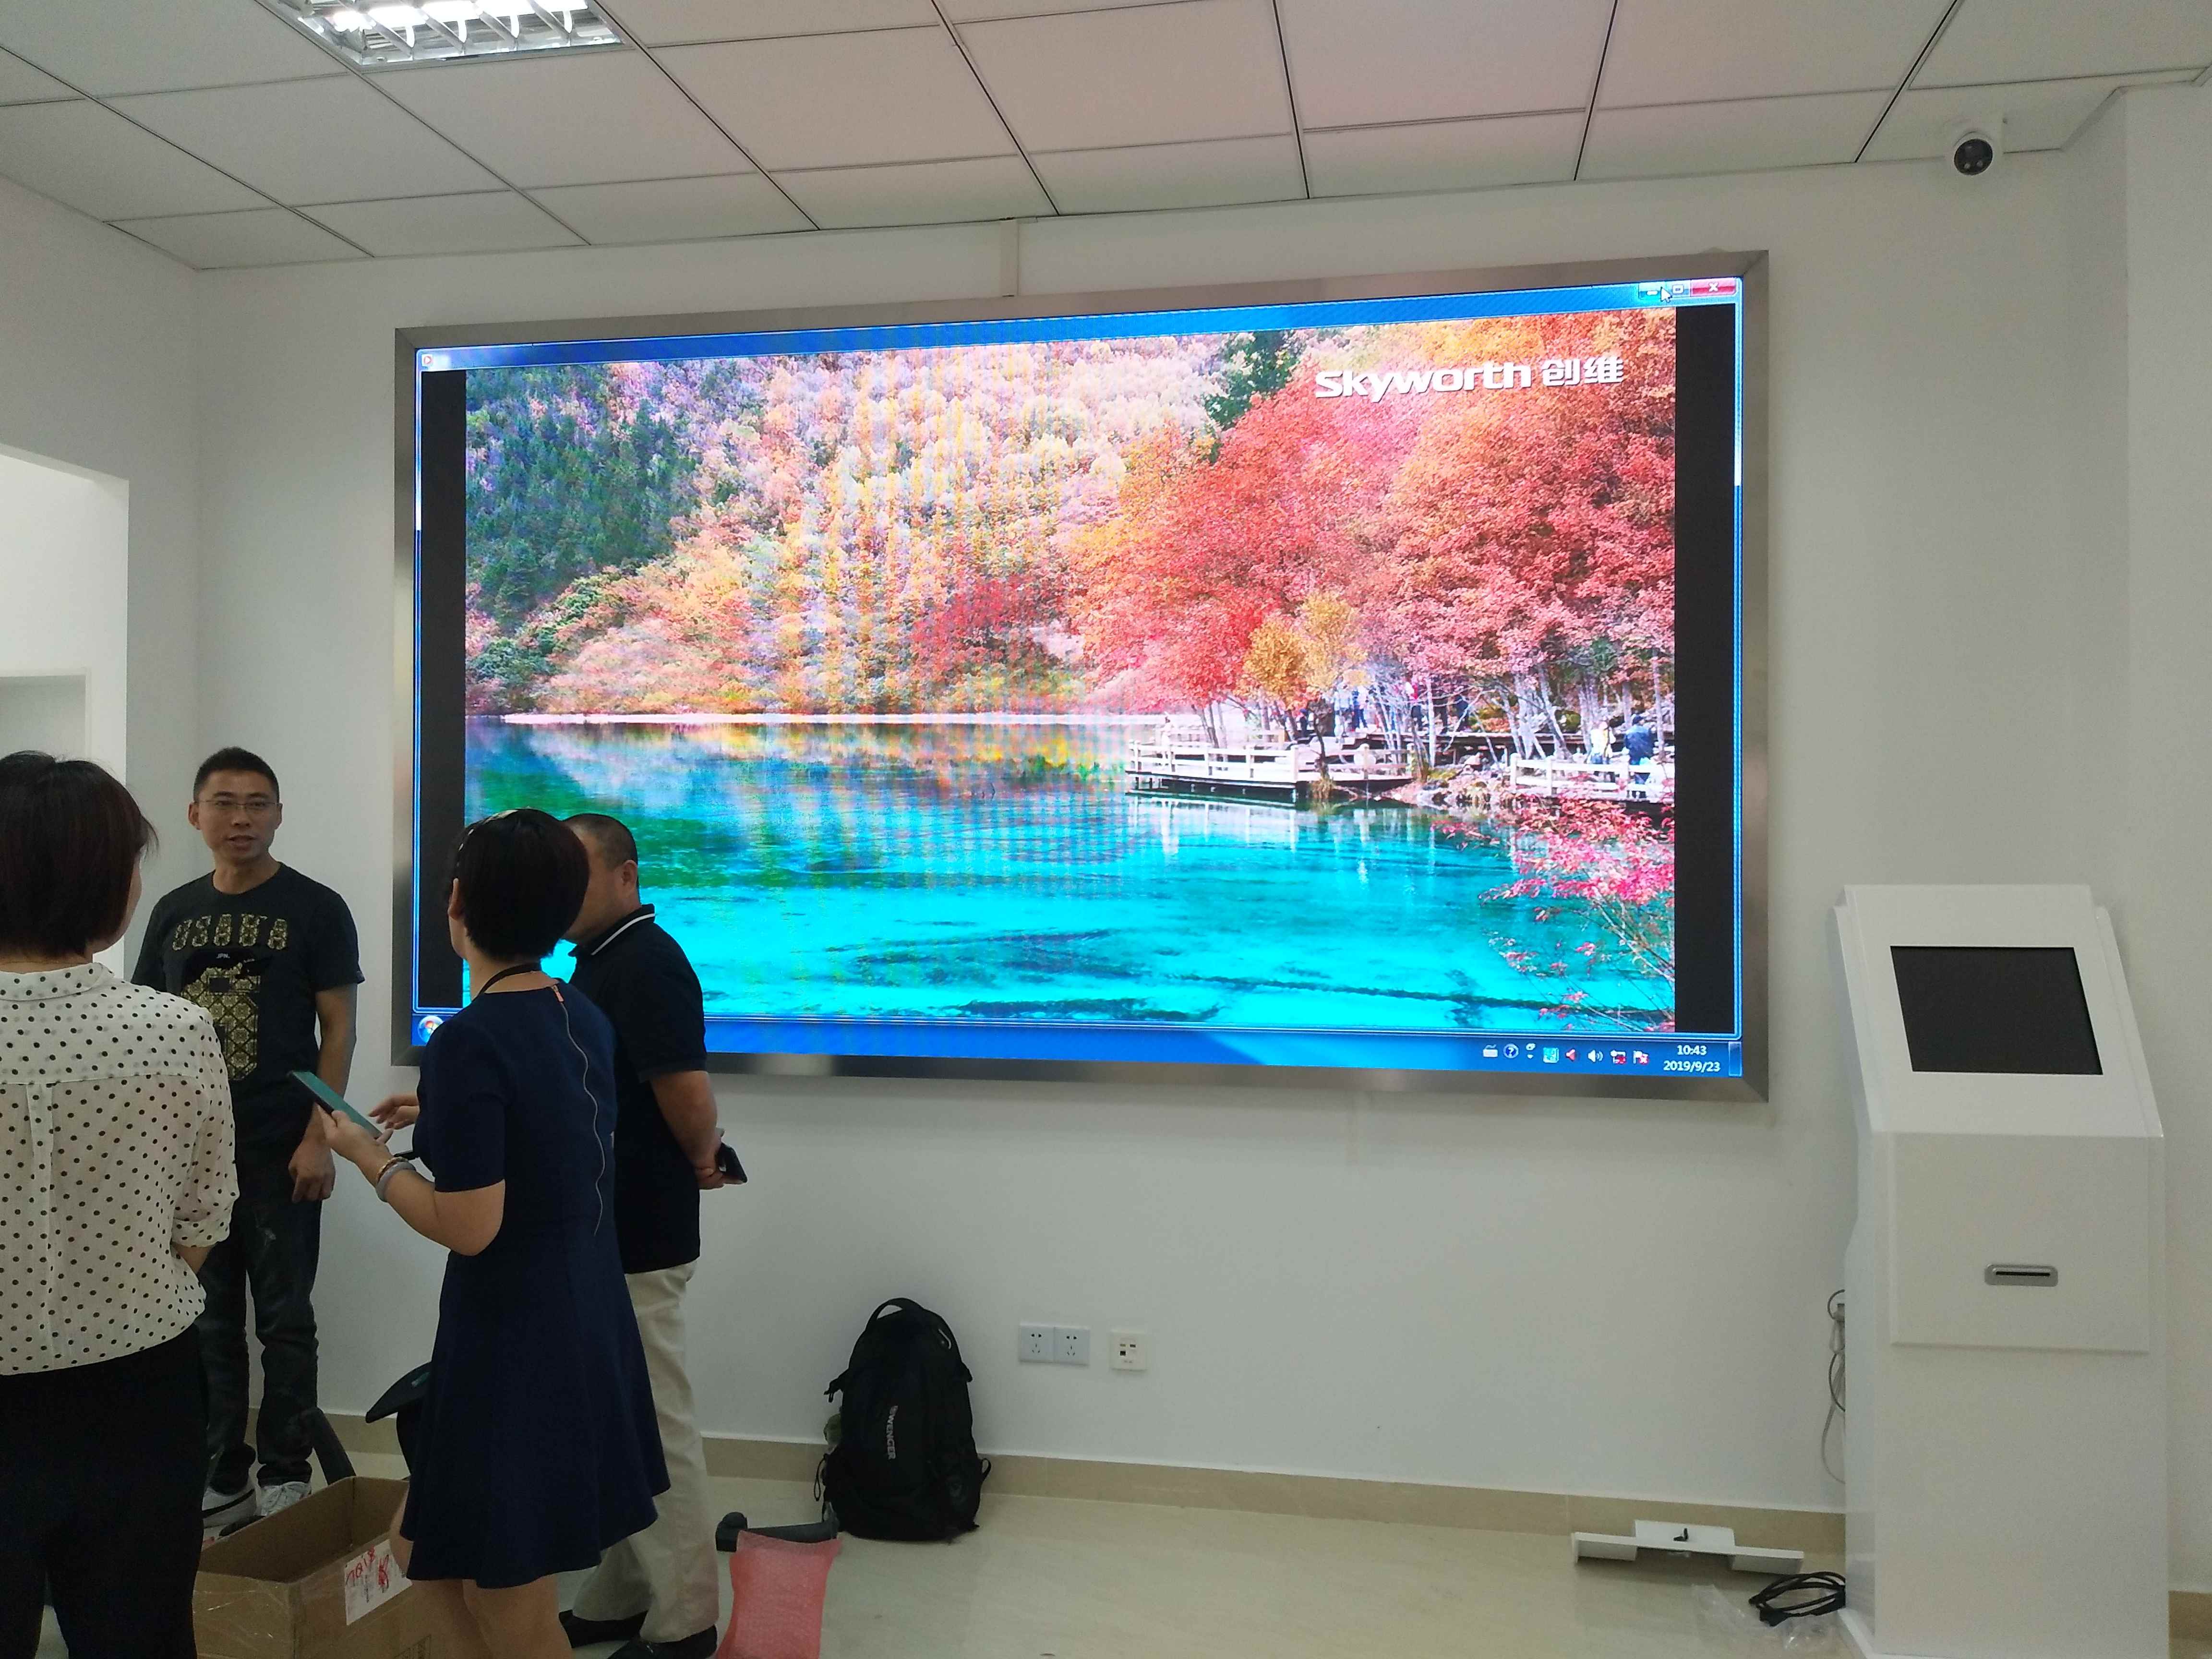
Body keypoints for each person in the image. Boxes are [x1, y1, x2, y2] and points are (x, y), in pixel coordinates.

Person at [318, 809, 665, 1659]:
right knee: (421, 1554)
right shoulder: (578, 1010)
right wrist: (440, 1110)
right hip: (579, 1318)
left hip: (516, 1344)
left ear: (456, 905)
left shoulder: (469, 1042)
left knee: (509, 1594)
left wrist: (369, 1159)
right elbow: (551, 1120)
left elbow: (470, 1227)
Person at [0, 753, 237, 1658]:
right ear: (108, 883)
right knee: (138, 1635)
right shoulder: (176, 1030)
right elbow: (203, 1222)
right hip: (136, 1397)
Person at [133, 746, 361, 1532]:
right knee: (206, 1321)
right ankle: (221, 1472)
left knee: (286, 1319)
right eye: (225, 803)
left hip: (280, 1145)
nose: (241, 819)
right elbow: (146, 1029)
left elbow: (339, 1031)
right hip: (191, 1155)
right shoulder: (173, 912)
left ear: (279, 814)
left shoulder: (317, 907)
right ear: (195, 815)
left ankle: (286, 1472)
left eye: (258, 803)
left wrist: (322, 1136)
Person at [557, 814, 725, 1659]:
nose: (560, 890)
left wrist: (703, 1158)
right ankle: (625, 1591)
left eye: (578, 871)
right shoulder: (598, 962)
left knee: (654, 1425)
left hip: (642, 1229)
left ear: (626, 875)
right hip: (603, 1228)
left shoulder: (647, 962)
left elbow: (685, 1091)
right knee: (615, 1423)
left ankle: (687, 1619)